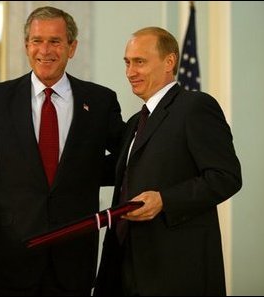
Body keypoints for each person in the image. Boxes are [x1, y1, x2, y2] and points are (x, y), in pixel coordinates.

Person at [0, 6, 124, 296]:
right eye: (37, 40)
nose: (44, 50)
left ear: (72, 48)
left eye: (55, 41)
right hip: (11, 259)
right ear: (26, 46)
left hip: (72, 260)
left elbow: (125, 158)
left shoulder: (99, 101)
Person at [94, 27, 242, 296]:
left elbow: (225, 176)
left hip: (174, 270)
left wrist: (165, 200)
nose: (130, 72)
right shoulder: (134, 124)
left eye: (140, 62)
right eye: (127, 62)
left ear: (169, 62)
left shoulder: (195, 107)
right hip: (123, 267)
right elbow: (117, 172)